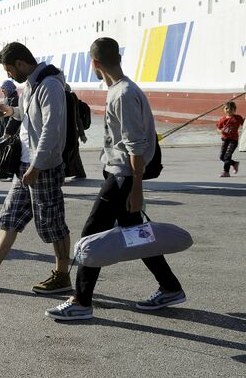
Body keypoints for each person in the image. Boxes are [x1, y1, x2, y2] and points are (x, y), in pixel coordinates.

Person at [47, 37, 187, 320]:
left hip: (123, 177)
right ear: (118, 58)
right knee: (137, 235)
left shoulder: (122, 94)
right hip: (122, 175)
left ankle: (81, 302)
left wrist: (136, 188)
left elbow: (135, 145)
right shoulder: (123, 89)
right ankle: (170, 287)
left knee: (92, 236)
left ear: (95, 63)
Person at [0, 42, 73, 295]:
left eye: (9, 70)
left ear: (21, 63)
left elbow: (51, 129)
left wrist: (37, 166)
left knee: (52, 223)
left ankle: (63, 276)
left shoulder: (50, 85)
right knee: (10, 216)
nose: (9, 75)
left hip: (42, 167)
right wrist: (12, 111)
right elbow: (33, 115)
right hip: (25, 164)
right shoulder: (32, 83)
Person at [216, 101, 243, 177]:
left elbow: (244, 124)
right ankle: (234, 163)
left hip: (233, 140)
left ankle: (226, 172)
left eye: (231, 109)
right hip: (225, 139)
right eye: (226, 108)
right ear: (223, 109)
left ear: (234, 109)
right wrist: (221, 131)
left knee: (227, 156)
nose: (228, 110)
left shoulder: (237, 118)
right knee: (222, 157)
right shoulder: (222, 119)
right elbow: (218, 129)